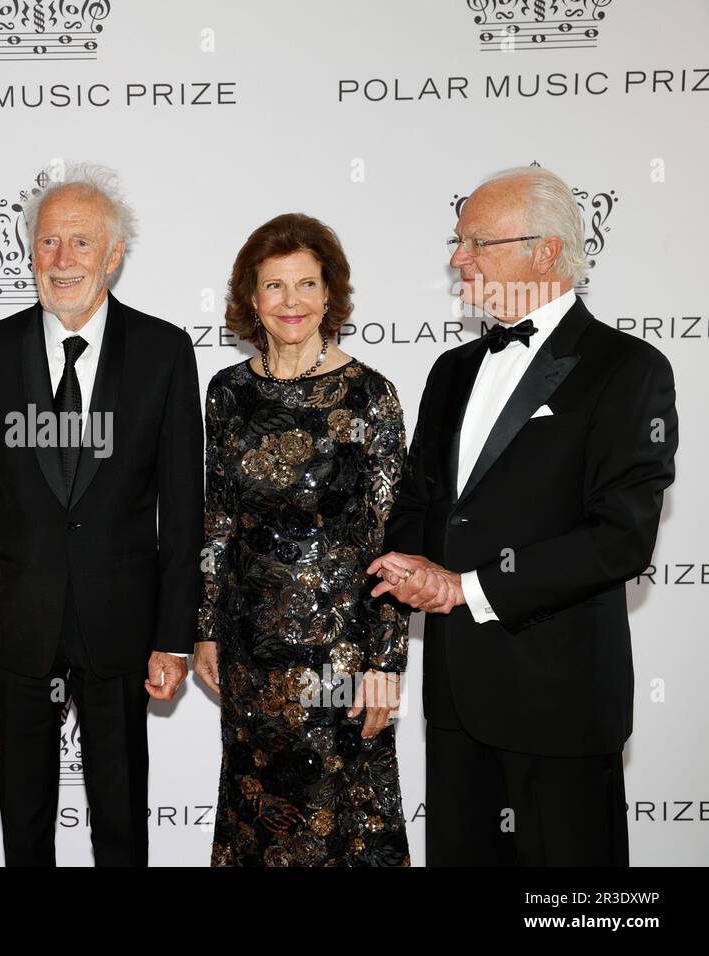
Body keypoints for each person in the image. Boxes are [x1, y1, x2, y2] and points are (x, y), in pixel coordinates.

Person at [369, 166, 678, 866]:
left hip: (559, 700)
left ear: (545, 252)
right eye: (457, 241)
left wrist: (466, 588)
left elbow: (620, 537)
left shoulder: (627, 370)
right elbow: (421, 501)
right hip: (455, 704)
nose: (457, 259)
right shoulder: (451, 370)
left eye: (477, 242)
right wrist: (409, 563)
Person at [0, 163, 203, 866]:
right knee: (23, 820)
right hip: (13, 620)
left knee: (122, 817)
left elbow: (183, 514)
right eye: (49, 242)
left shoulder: (164, 352)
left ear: (114, 257)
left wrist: (175, 638)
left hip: (121, 623)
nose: (63, 261)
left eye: (82, 244)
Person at [195, 213, 411, 867]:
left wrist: (386, 664)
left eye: (306, 284)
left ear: (329, 293)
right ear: (251, 298)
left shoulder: (372, 395)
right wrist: (205, 626)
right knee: (258, 814)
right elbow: (219, 519)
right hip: (250, 651)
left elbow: (389, 540)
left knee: (337, 822)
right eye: (275, 286)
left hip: (340, 653)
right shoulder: (227, 392)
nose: (292, 302)